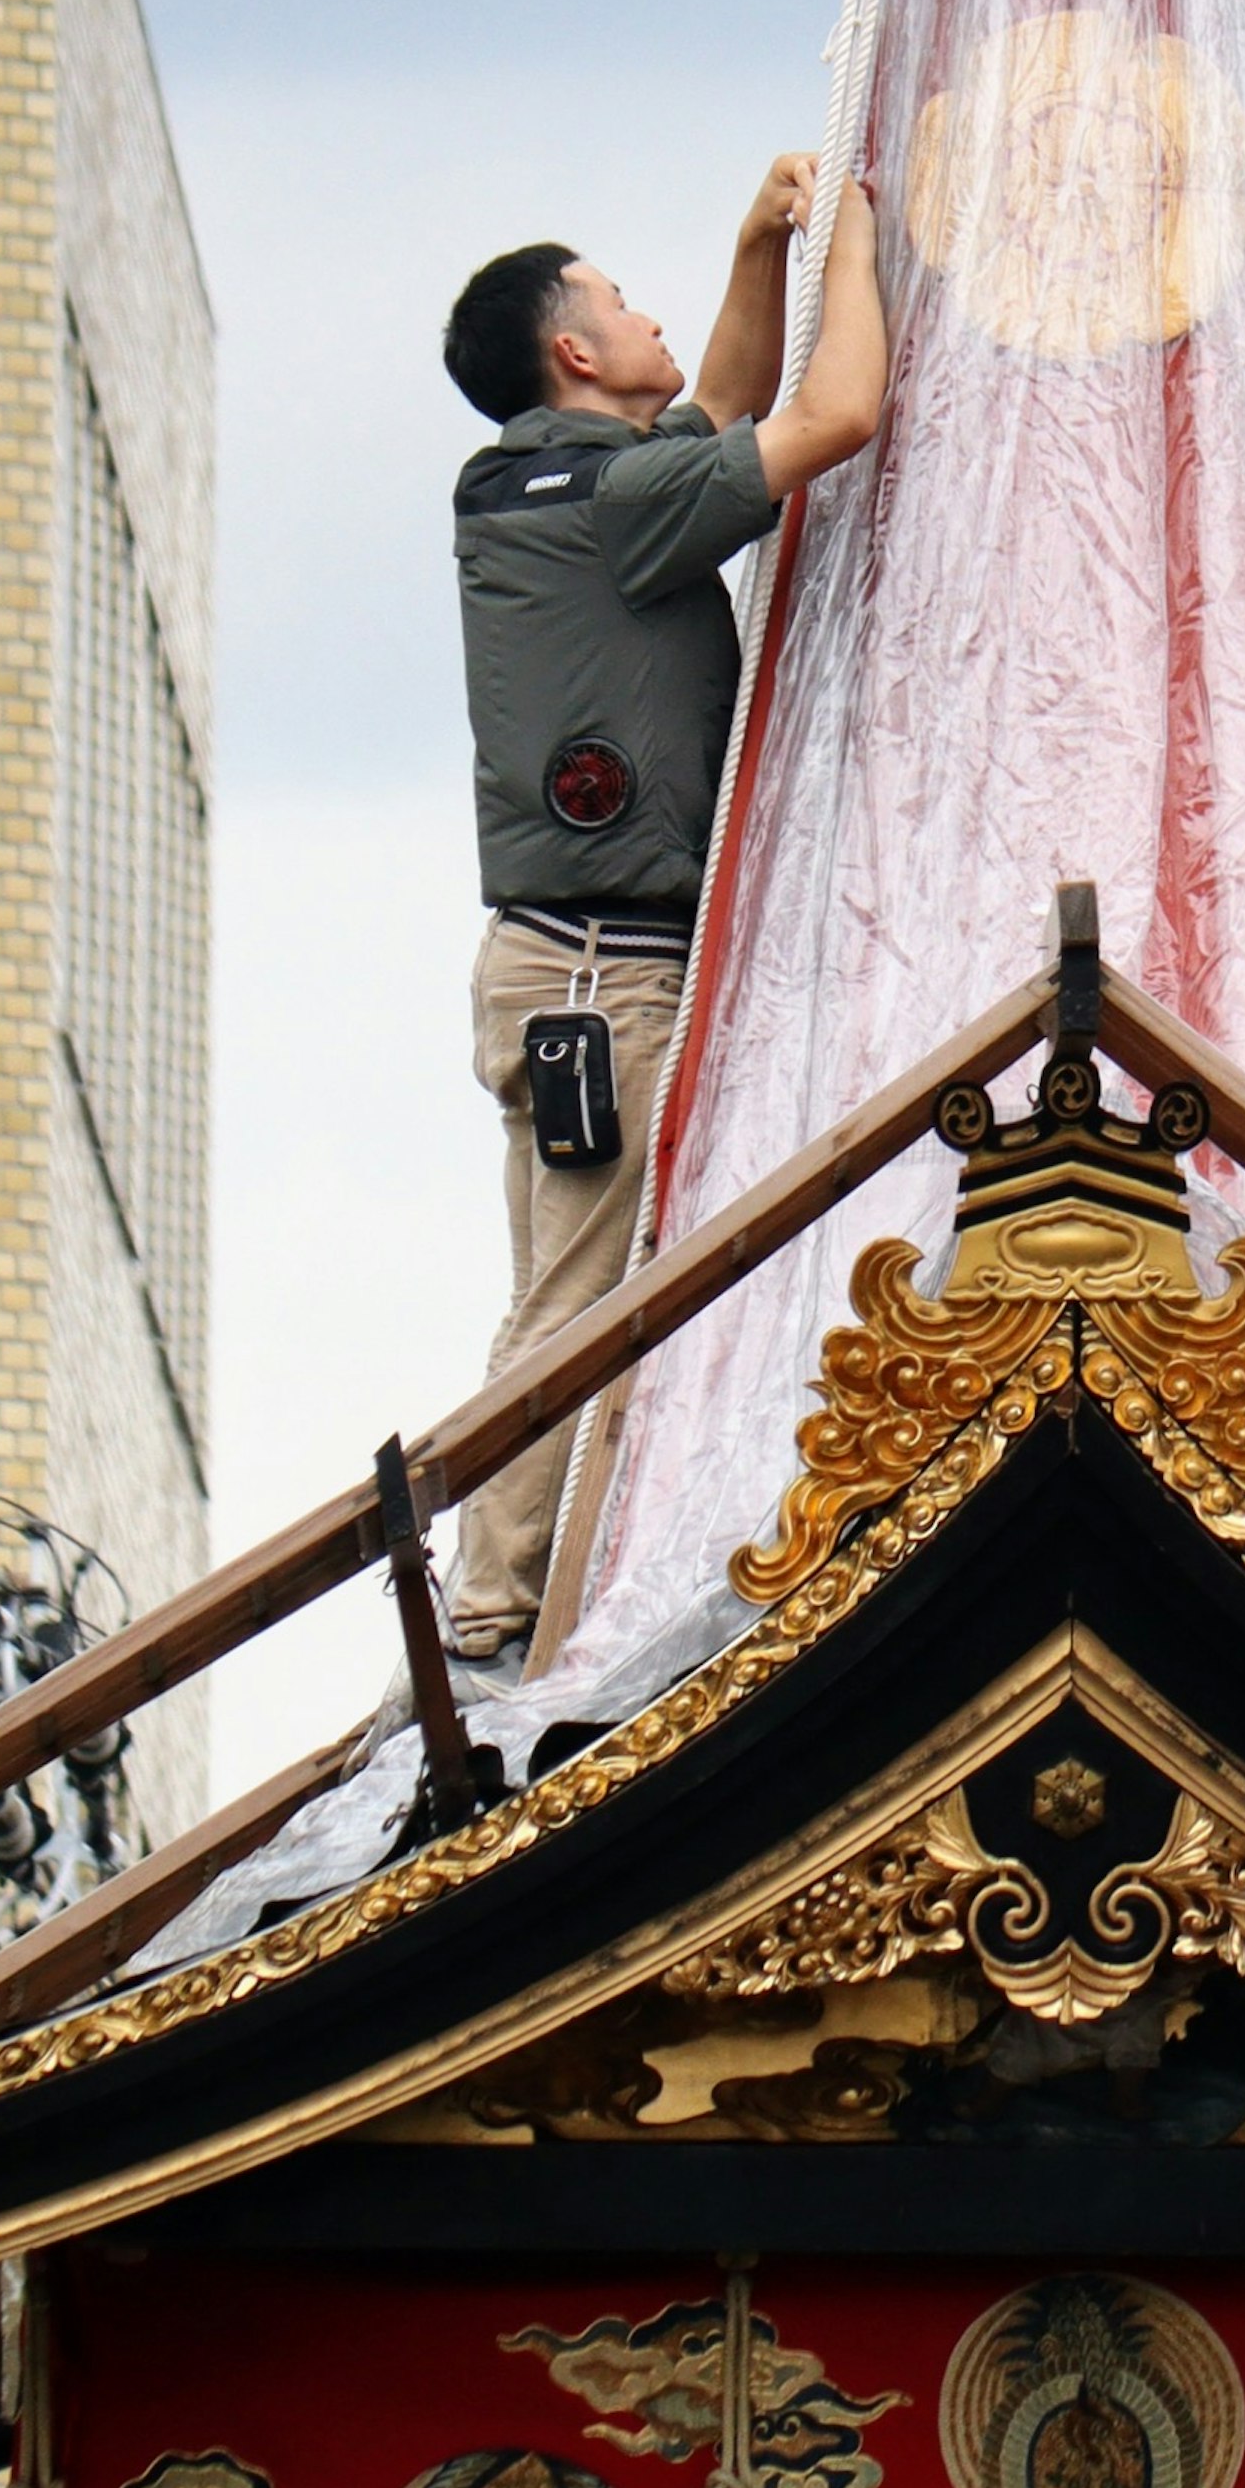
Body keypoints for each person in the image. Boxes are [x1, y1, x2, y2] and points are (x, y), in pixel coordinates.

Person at [439, 162, 888, 1661]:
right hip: (599, 973)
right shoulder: (606, 504)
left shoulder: (563, 484)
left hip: (580, 963)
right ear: (572, 351)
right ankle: (492, 1608)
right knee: (570, 1304)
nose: (644, 319)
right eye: (618, 301)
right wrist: (866, 243)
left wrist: (759, 247)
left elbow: (720, 411)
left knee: (583, 1293)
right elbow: (829, 419)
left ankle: (529, 1592)